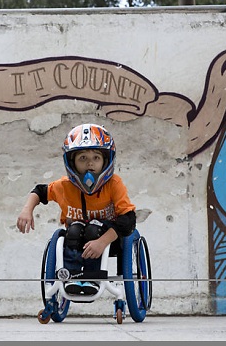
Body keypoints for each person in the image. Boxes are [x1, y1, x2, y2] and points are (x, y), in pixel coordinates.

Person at [16, 123, 136, 296]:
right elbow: (39, 191)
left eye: (96, 158)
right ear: (72, 162)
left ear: (106, 160)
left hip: (110, 239)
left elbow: (128, 219)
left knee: (93, 229)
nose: (90, 163)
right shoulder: (64, 186)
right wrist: (27, 210)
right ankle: (72, 278)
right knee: (73, 230)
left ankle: (92, 279)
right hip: (76, 237)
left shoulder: (114, 184)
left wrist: (102, 242)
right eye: (82, 158)